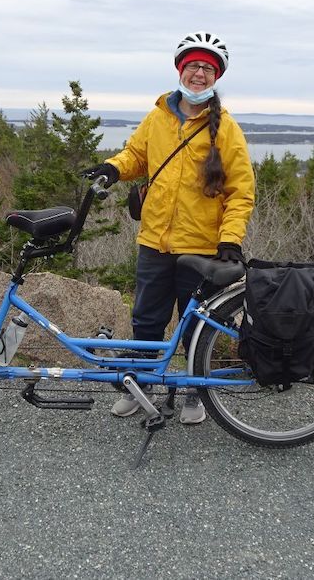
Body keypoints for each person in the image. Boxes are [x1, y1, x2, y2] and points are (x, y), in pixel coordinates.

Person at [84, 31, 255, 424]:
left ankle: (195, 393)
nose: (199, 74)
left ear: (216, 77)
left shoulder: (226, 128)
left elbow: (241, 191)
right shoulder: (159, 116)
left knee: (195, 327)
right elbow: (136, 155)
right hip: (155, 242)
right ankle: (142, 387)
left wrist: (230, 239)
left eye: (207, 69)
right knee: (146, 321)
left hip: (201, 247)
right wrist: (113, 167)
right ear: (181, 70)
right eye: (193, 65)